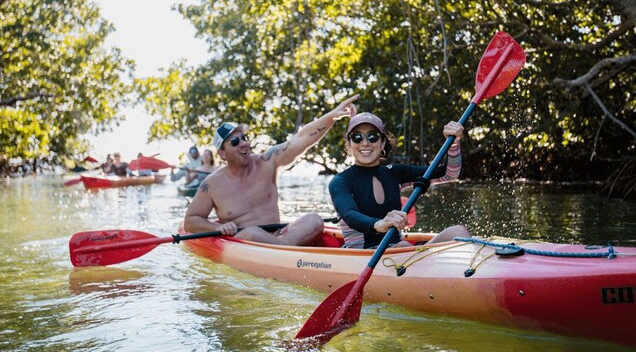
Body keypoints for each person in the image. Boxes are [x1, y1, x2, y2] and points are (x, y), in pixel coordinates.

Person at [183, 95, 359, 245]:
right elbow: (191, 221)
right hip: (244, 241)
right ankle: (291, 255)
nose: (243, 143)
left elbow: (301, 138)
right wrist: (218, 228)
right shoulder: (211, 185)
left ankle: (285, 251)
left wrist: (332, 117)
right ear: (222, 153)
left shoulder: (267, 161)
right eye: (235, 142)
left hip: (279, 235)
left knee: (314, 220)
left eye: (244, 137)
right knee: (253, 232)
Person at [329, 112, 471, 249]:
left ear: (383, 143)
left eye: (372, 137)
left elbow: (449, 174)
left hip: (399, 252)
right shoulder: (341, 181)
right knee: (403, 245)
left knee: (458, 231)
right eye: (357, 137)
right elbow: (349, 214)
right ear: (349, 144)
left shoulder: (395, 173)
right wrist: (379, 224)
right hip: (361, 255)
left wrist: (453, 144)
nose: (365, 143)